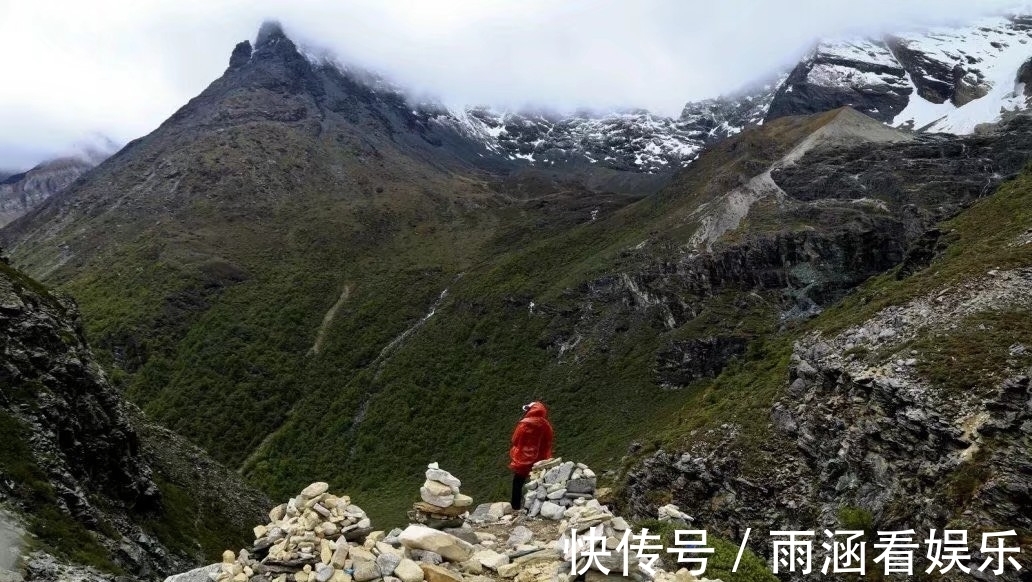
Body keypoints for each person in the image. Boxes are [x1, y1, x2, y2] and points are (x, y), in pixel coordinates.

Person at [508, 400, 554, 510]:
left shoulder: (524, 423)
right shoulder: (546, 425)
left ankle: (515, 507)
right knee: (540, 484)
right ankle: (539, 507)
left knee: (518, 484)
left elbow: (514, 439)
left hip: (523, 460)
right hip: (540, 459)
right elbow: (549, 440)